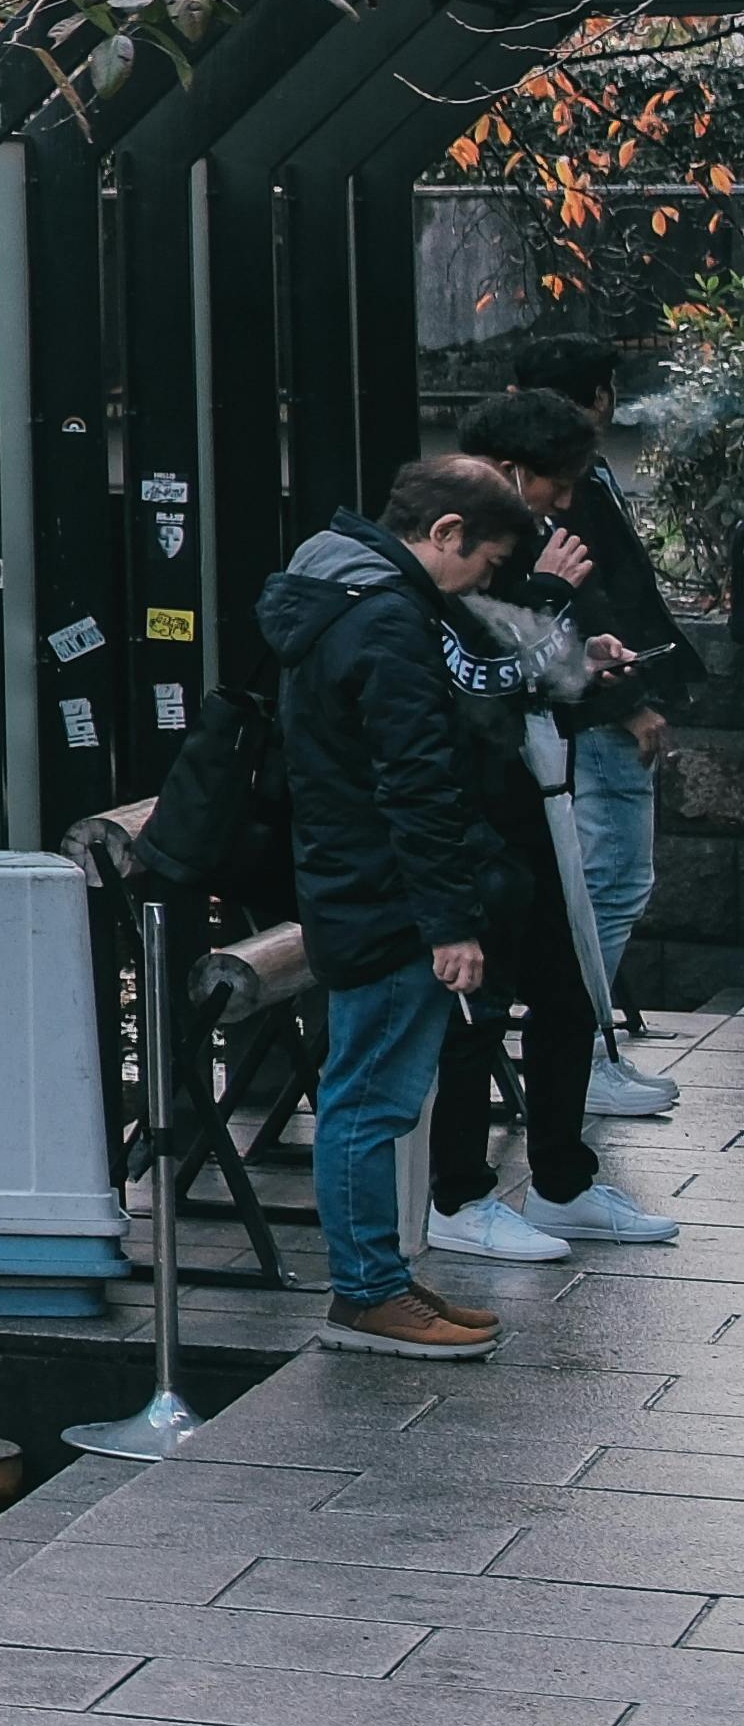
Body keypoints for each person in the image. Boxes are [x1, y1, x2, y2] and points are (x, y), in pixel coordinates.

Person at [260, 456, 547, 1359]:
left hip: (351, 878)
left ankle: (377, 1275)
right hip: (386, 895)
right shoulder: (388, 620)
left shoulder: (334, 585)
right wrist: (451, 924)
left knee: (369, 1091)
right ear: (448, 534)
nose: (483, 584)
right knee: (372, 1099)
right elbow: (416, 782)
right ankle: (368, 1291)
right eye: (488, 563)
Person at [497, 333, 698, 1084]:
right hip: (596, 705)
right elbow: (584, 603)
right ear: (600, 397)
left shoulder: (566, 483)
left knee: (607, 882)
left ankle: (587, 1051)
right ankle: (587, 1054)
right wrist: (630, 701)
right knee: (609, 881)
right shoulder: (562, 488)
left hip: (592, 694)